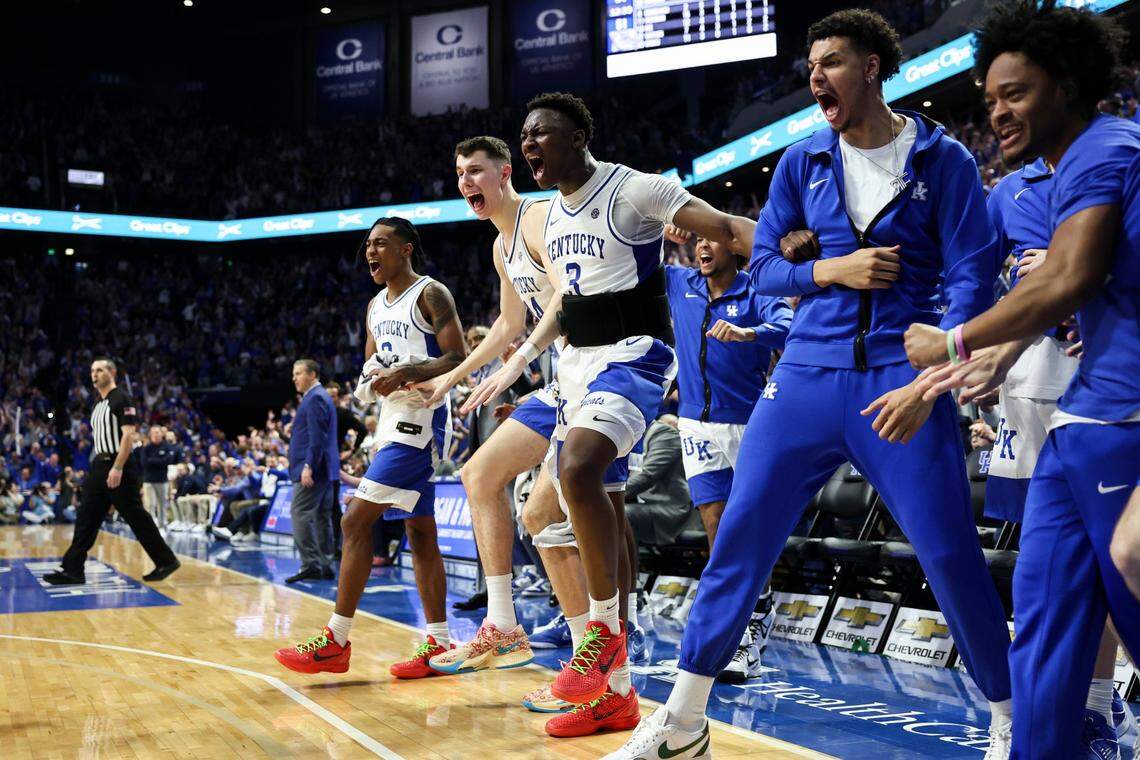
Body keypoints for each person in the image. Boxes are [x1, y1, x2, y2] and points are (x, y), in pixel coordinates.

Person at [609, 11, 1015, 759]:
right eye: (809, 67)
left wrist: (942, 370)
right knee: (738, 541)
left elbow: (972, 273)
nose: (816, 77)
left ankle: (1005, 715)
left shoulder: (944, 159)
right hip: (802, 375)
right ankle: (683, 721)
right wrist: (830, 269)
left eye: (830, 62)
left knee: (950, 552)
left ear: (870, 67)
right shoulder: (801, 162)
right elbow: (762, 267)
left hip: (901, 378)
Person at [463, 92, 756, 738]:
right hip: (576, 367)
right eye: (524, 136)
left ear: (577, 136)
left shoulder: (634, 189)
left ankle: (602, 633)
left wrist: (811, 270)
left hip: (637, 357)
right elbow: (565, 309)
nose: (531, 144)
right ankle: (617, 696)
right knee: (604, 503)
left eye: (541, 134)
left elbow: (730, 230)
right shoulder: (553, 216)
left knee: (576, 471)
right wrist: (516, 365)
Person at [903, 4, 1139, 757]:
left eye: (1017, 93)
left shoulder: (1108, 147)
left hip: (1126, 419)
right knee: (1040, 624)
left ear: (1067, 86)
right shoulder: (1062, 170)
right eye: (990, 97)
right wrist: (982, 360)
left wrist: (953, 338)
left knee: (1129, 578)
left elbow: (1068, 277)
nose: (997, 112)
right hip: (1082, 417)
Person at [420, 135, 619, 720]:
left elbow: (566, 294)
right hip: (560, 383)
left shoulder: (538, 220)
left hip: (602, 373)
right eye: (459, 174)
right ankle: (504, 625)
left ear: (504, 173)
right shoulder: (500, 245)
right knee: (479, 473)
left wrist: (516, 364)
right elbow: (509, 321)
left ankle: (600, 658)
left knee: (543, 514)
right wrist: (454, 375)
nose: (465, 182)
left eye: (475, 171)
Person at [275, 217, 467, 680]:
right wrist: (371, 378)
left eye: (381, 243)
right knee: (421, 533)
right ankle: (439, 643)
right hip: (390, 419)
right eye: (367, 245)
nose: (370, 251)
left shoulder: (430, 293)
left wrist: (406, 373)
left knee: (354, 519)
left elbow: (458, 355)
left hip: (423, 415)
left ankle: (336, 641)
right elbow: (370, 360)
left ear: (405, 248)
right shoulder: (375, 306)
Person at [664, 233, 792, 684]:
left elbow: (789, 327)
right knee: (716, 527)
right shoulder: (679, 283)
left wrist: (749, 332)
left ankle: (758, 616)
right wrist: (660, 224)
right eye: (696, 240)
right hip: (695, 424)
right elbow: (632, 259)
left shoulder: (757, 288)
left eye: (712, 240)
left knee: (749, 527)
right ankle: (732, 629)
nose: (702, 247)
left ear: (734, 248)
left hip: (749, 422)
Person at [44, 358, 180, 585]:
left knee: (136, 516)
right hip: (100, 466)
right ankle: (73, 569)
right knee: (86, 516)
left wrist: (117, 466)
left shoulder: (121, 398)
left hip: (119, 465)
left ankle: (166, 560)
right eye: (92, 371)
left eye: (99, 370)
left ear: (112, 372)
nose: (94, 374)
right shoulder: (98, 404)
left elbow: (128, 436)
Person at [284, 359, 339, 584]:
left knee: (299, 513)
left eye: (298, 373)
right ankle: (325, 564)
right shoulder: (317, 397)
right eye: (294, 374)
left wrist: (308, 466)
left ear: (313, 374)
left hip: (314, 469)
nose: (294, 378)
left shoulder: (315, 397)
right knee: (321, 516)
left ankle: (311, 564)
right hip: (325, 469)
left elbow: (318, 438)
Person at [141, 425, 179, 531]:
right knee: (150, 505)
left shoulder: (167, 447)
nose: (156, 435)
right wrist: (159, 461)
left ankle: (162, 525)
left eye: (157, 432)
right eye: (153, 433)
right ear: (150, 435)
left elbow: (168, 461)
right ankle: (150, 526)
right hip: (149, 481)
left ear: (161, 434)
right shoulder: (146, 448)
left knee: (162, 504)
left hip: (162, 480)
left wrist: (152, 461)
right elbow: (144, 463)